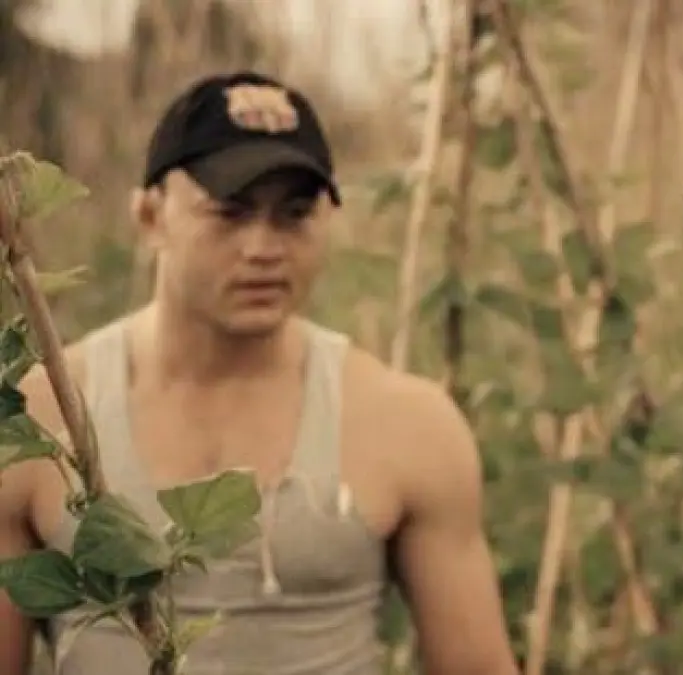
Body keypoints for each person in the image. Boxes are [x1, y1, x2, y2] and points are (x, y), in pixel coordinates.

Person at [0, 71, 519, 674]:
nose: (263, 248)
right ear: (149, 217)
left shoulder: (406, 423)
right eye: (230, 213)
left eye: (293, 215)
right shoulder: (39, 419)